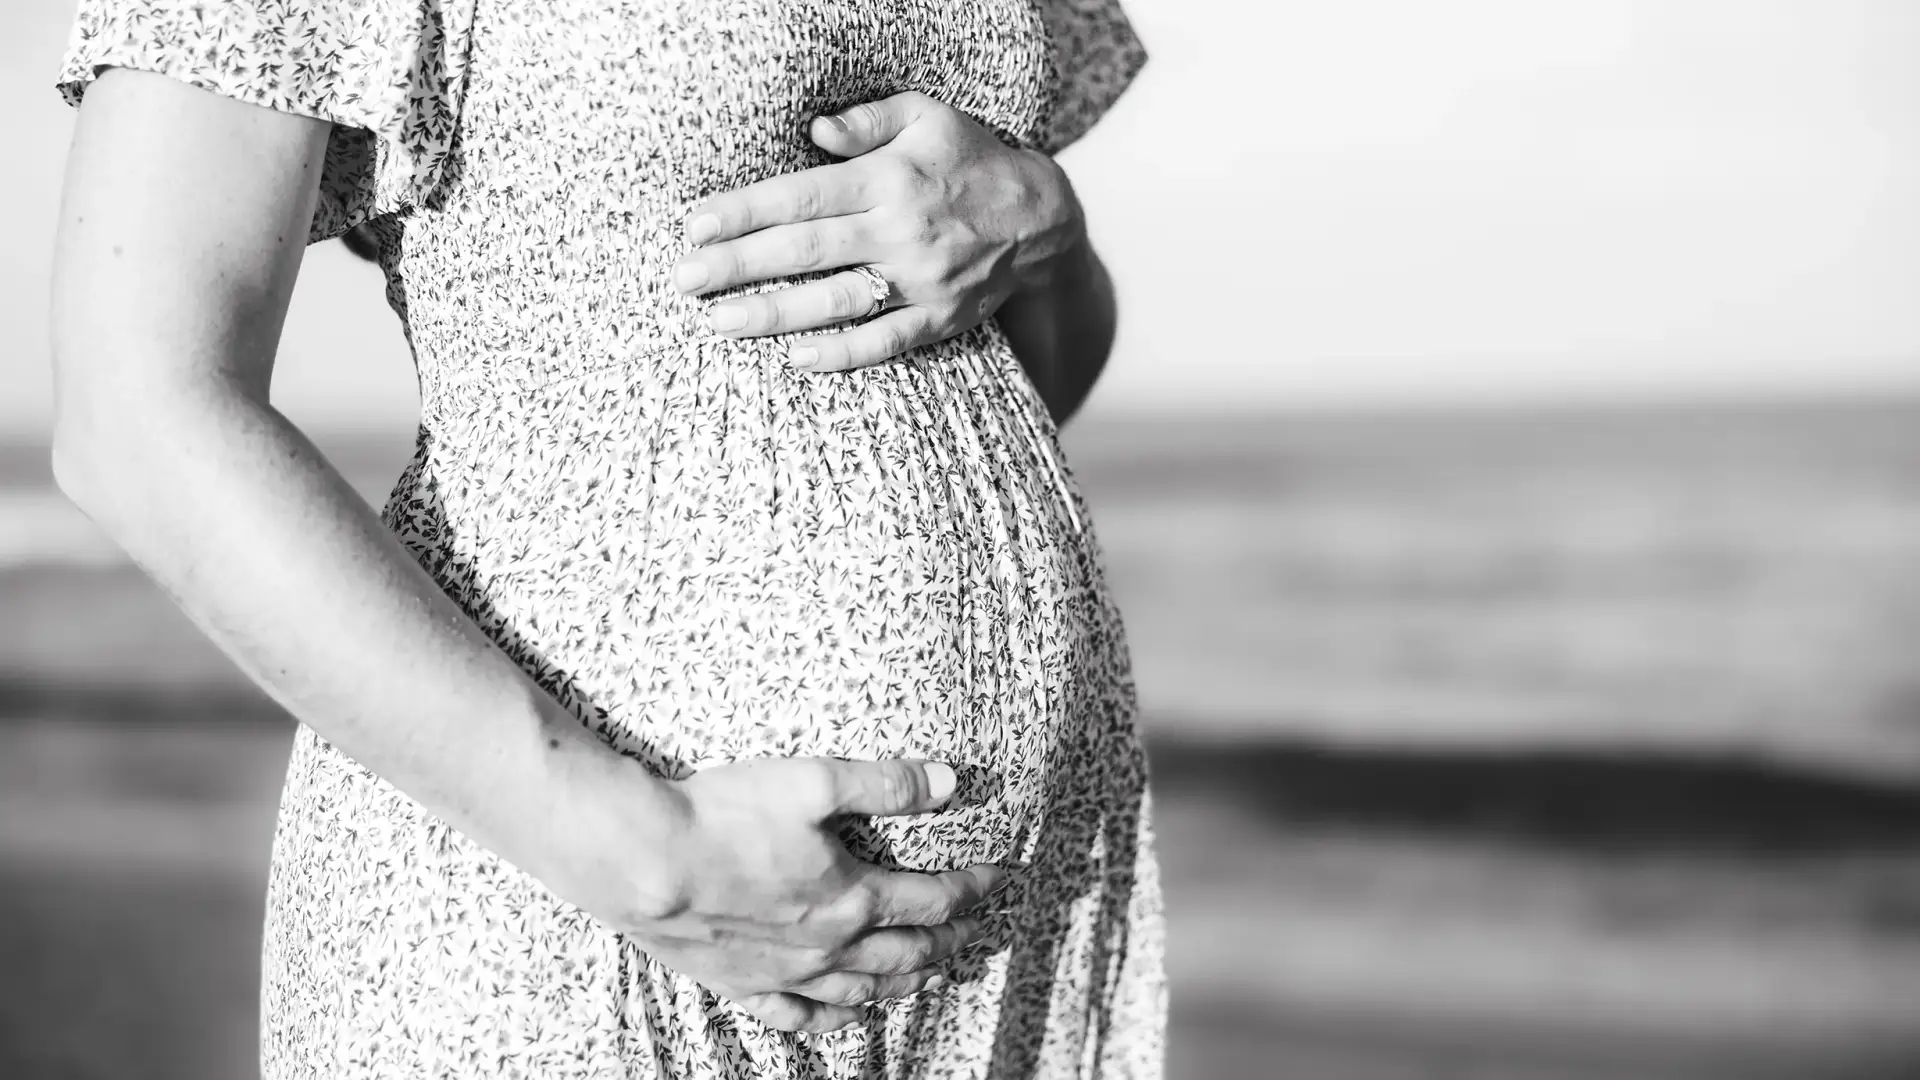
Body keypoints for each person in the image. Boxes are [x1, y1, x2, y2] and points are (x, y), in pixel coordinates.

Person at [47, 0, 1165, 1076]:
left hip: (994, 939)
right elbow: (137, 417)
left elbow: (1008, 374)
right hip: (593, 905)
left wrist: (1045, 228)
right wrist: (645, 857)